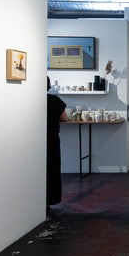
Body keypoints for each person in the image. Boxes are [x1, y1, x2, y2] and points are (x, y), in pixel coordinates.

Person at [47, 76, 68, 216]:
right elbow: (64, 118)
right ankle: (48, 202)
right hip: (51, 140)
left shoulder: (28, 100)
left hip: (33, 141)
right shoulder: (54, 100)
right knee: (52, 169)